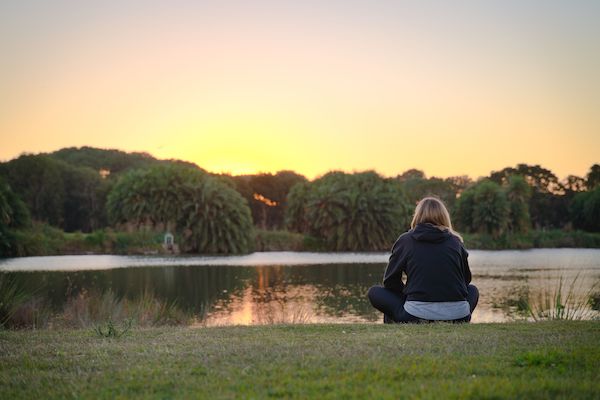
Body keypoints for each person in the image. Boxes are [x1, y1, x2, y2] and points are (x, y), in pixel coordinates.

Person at [367, 197, 478, 323]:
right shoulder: (456, 241)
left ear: (417, 216)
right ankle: (450, 318)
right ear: (444, 217)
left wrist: (408, 295)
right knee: (473, 290)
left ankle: (413, 319)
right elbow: (466, 280)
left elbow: (390, 281)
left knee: (375, 292)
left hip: (415, 315)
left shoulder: (406, 240)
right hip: (458, 316)